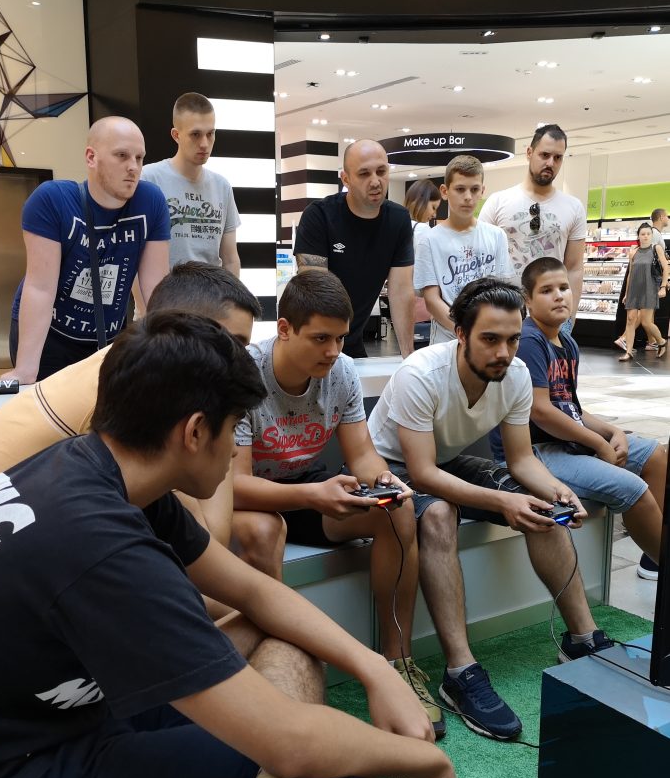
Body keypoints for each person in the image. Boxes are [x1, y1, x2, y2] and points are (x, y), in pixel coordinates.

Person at [0, 312, 467, 778]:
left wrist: (374, 669)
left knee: (285, 641)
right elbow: (288, 743)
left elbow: (255, 590)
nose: (235, 451)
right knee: (312, 762)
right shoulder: (100, 544)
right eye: (233, 429)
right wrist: (428, 761)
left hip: (62, 717)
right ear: (194, 432)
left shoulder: (91, 468)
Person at [368, 279, 614, 741]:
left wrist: (558, 490)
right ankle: (460, 673)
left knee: (544, 507)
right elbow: (422, 474)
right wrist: (503, 500)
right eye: (490, 339)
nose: (504, 352)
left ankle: (583, 639)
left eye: (513, 339)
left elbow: (521, 460)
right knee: (438, 515)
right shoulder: (420, 373)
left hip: (445, 460)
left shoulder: (515, 375)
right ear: (460, 333)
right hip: (389, 468)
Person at [232, 270, 444, 732]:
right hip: (248, 500)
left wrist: (384, 481)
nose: (333, 350)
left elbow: (362, 455)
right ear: (284, 328)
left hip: (305, 488)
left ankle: (398, 663)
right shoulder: (244, 373)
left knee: (398, 511)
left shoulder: (341, 371)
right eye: (320, 338)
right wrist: (312, 495)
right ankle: (262, 671)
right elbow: (234, 484)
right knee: (265, 528)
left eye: (341, 338)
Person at [0, 262, 260, 551]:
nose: (240, 359)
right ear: (180, 331)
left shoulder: (129, 365)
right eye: (230, 343)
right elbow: (209, 539)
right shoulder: (142, 390)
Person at [509, 256, 667, 582]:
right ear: (528, 300)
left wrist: (612, 432)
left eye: (563, 288)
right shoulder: (529, 341)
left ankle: (653, 557)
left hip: (570, 442)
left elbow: (572, 407)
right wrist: (598, 443)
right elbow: (541, 411)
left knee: (655, 455)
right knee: (632, 488)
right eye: (547, 290)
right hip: (540, 451)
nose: (559, 296)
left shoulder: (566, 341)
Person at [3, 116, 170, 384]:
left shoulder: (151, 202)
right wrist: (25, 369)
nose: (133, 167)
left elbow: (155, 289)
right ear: (91, 157)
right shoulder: (53, 200)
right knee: (48, 407)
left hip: (107, 336)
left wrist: (170, 355)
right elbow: (40, 288)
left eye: (139, 158)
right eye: (122, 156)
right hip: (49, 336)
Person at [294, 139, 415, 358]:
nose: (375, 181)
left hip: (352, 341)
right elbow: (314, 292)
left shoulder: (399, 219)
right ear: (346, 179)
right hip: (312, 342)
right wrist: (330, 352)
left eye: (381, 171)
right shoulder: (319, 216)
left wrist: (409, 357)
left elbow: (401, 291)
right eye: (364, 174)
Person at [478, 124, 586, 326]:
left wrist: (569, 319)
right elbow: (481, 262)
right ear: (529, 152)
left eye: (558, 157)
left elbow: (574, 268)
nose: (550, 163)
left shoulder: (574, 207)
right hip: (503, 312)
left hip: (552, 318)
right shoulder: (498, 202)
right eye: (544, 155)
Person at [413, 155, 514, 345]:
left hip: (488, 339)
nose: (468, 197)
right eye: (460, 189)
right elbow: (432, 300)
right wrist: (465, 332)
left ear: (482, 191)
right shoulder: (429, 240)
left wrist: (484, 333)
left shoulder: (496, 236)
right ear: (445, 191)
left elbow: (502, 291)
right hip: (446, 341)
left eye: (474, 189)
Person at [141, 92, 241, 275]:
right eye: (195, 134)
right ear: (176, 135)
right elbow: (133, 253)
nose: (204, 143)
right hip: (165, 291)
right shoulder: (149, 179)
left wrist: (234, 294)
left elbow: (230, 259)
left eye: (210, 134)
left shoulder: (222, 186)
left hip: (212, 291)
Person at [617, 223, 669, 362]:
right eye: (643, 234)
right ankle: (628, 352)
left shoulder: (656, 248)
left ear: (651, 235)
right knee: (630, 320)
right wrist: (626, 293)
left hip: (649, 289)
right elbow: (630, 274)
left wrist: (663, 286)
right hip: (634, 289)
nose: (645, 236)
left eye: (648, 234)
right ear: (638, 236)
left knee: (646, 322)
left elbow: (666, 267)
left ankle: (661, 341)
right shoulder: (633, 252)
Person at [404, 178, 441, 329]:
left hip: (402, 300)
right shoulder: (423, 230)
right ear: (421, 202)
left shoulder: (401, 225)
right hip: (421, 304)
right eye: (433, 207)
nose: (434, 214)